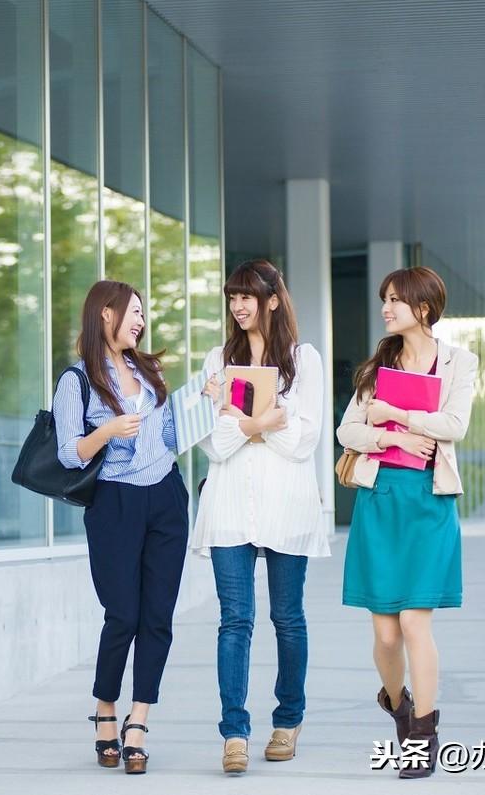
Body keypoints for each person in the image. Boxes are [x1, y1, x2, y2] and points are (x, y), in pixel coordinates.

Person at [336, 266, 478, 779]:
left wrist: (398, 414)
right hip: (381, 499)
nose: (385, 309)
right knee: (386, 635)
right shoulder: (379, 367)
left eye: (395, 300)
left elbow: (454, 425)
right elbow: (347, 429)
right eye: (384, 300)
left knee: (416, 621)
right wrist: (392, 437)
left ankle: (423, 731)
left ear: (424, 307)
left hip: (429, 502)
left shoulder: (459, 361)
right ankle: (397, 703)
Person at [190, 259, 329, 774]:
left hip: (288, 506)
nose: (238, 306)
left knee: (287, 619)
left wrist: (247, 421)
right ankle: (234, 733)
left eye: (247, 295)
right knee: (235, 621)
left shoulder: (303, 360)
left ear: (273, 298)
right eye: (232, 297)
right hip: (228, 507)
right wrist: (262, 421)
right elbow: (215, 444)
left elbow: (304, 442)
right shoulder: (216, 361)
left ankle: (288, 720)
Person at [53, 279, 188, 775]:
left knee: (157, 616)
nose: (141, 320)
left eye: (143, 313)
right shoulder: (78, 380)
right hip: (115, 503)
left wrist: (203, 403)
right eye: (133, 311)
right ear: (105, 315)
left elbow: (171, 435)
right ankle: (105, 706)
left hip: (166, 498)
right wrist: (107, 430)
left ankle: (138, 720)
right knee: (123, 615)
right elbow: (69, 453)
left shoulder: (146, 371)